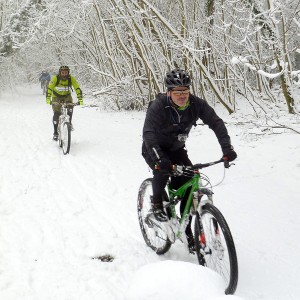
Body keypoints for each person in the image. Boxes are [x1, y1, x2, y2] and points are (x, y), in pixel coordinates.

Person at [142, 68, 237, 251]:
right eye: (177, 92)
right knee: (162, 170)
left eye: (185, 91)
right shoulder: (159, 105)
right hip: (154, 148)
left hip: (177, 149)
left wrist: (227, 148)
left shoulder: (196, 104)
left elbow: (216, 122)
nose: (182, 95)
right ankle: (156, 204)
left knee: (189, 184)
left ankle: (186, 228)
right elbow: (148, 133)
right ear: (169, 92)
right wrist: (160, 159)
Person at [46, 65, 83, 140]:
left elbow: (77, 88)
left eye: (66, 72)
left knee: (70, 107)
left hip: (67, 96)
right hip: (56, 97)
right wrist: (48, 99)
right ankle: (55, 132)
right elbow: (50, 88)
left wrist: (80, 99)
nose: (64, 74)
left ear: (68, 72)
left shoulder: (71, 78)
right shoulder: (55, 78)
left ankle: (69, 122)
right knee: (56, 114)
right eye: (63, 72)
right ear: (60, 73)